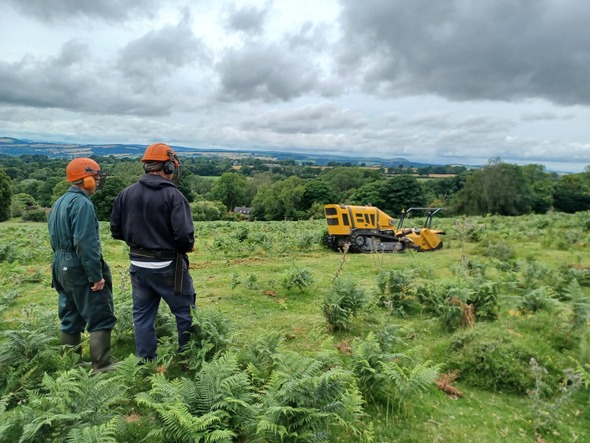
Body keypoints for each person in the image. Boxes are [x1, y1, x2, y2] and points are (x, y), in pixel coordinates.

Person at [110, 143, 196, 361]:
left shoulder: (125, 193)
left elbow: (116, 230)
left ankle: (145, 360)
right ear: (168, 166)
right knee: (186, 314)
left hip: (138, 265)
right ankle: (188, 358)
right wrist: (186, 246)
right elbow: (184, 236)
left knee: (142, 315)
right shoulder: (174, 196)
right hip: (169, 267)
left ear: (146, 167)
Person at [48, 157, 117, 372]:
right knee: (100, 313)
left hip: (60, 264)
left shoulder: (60, 202)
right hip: (78, 265)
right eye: (95, 178)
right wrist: (95, 275)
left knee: (70, 315)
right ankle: (102, 364)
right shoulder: (83, 204)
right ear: (85, 179)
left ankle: (72, 365)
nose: (97, 182)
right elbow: (86, 243)